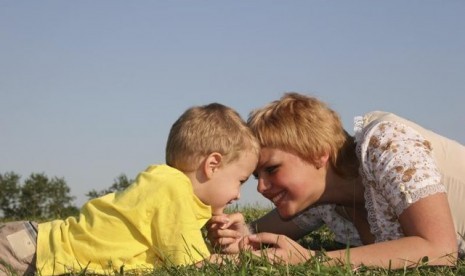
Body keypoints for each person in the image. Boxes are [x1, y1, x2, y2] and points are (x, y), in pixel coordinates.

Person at [207, 92, 465, 269]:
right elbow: (257, 234)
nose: (261, 187)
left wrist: (313, 259)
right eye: (256, 177)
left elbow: (441, 248)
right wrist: (240, 235)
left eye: (272, 169)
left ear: (319, 154)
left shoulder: (386, 145)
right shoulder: (325, 201)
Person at [0, 103, 259, 275]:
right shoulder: (172, 188)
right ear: (213, 164)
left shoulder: (175, 195)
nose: (238, 194)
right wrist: (250, 260)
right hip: (29, 250)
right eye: (241, 180)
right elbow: (195, 266)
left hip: (36, 251)